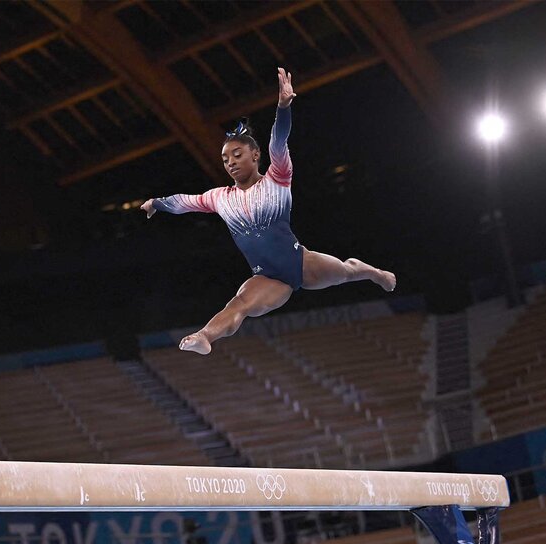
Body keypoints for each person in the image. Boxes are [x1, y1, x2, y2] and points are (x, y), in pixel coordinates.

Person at [142, 67, 396, 354]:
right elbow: (184, 202)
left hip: (300, 263)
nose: (231, 163)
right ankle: (205, 336)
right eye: (226, 160)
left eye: (237, 155)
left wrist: (284, 107)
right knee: (240, 303)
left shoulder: (278, 178)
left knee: (348, 271)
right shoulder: (219, 197)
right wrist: (157, 203)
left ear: (255, 155)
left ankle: (375, 273)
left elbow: (279, 141)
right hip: (267, 277)